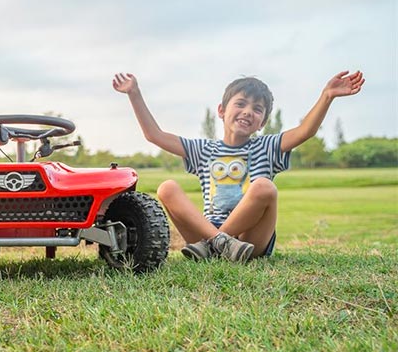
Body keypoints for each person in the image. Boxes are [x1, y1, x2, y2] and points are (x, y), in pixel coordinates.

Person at [112, 70, 365, 262]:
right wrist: (134, 93)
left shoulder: (267, 146)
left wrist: (327, 96)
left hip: (250, 241)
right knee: (167, 187)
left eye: (257, 109)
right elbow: (154, 135)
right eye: (241, 103)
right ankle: (218, 242)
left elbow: (305, 131)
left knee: (264, 187)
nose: (247, 112)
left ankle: (216, 244)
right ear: (221, 110)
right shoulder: (203, 150)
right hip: (206, 232)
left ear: (262, 122)